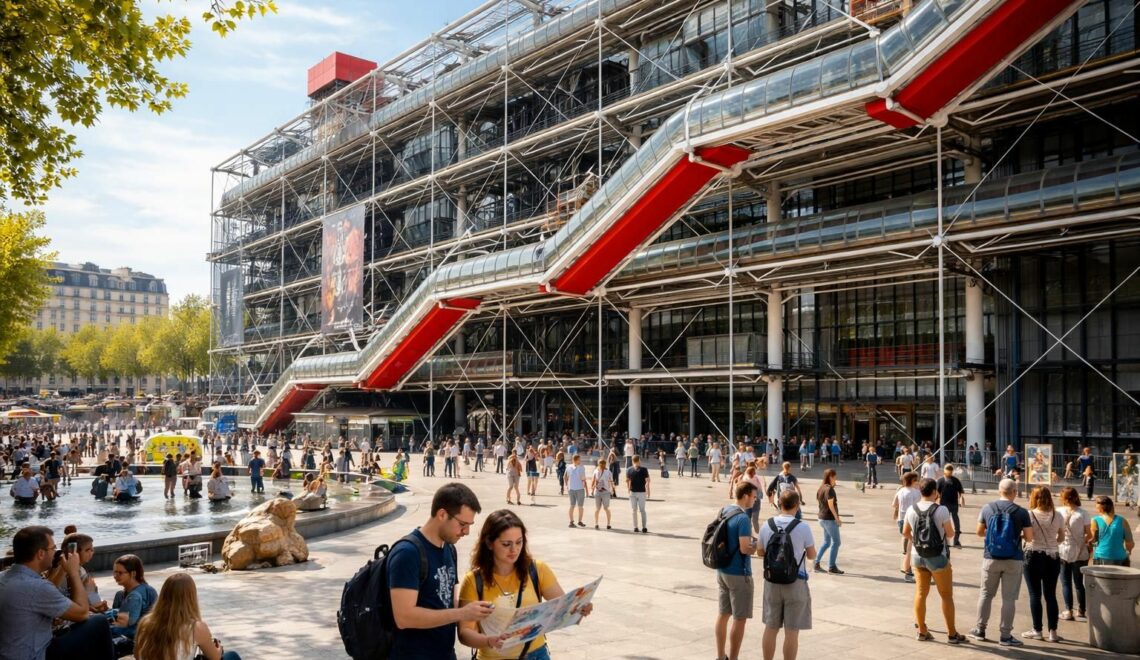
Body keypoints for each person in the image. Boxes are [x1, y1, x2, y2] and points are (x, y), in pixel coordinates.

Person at [458, 509, 592, 659]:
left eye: (519, 542)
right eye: (506, 544)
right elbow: (465, 633)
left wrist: (580, 607)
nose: (514, 549)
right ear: (489, 543)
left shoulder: (537, 570)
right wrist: (489, 641)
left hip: (536, 654)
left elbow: (564, 606)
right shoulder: (473, 580)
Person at [389, 482, 491, 659]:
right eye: (463, 524)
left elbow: (446, 600)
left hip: (445, 653)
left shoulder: (449, 548)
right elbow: (404, 617)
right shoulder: (407, 553)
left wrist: (478, 608)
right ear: (442, 514)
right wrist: (462, 613)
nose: (466, 532)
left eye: (470, 525)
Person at [0, 525, 115, 660]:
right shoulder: (36, 586)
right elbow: (82, 614)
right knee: (99, 622)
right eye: (53, 548)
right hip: (34, 655)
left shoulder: (3, 577)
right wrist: (73, 573)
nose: (55, 552)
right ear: (41, 554)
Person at [968, 478, 1034, 647]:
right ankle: (1005, 635)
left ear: (999, 491)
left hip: (991, 557)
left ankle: (980, 630)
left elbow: (979, 532)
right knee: (1009, 598)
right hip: (1014, 558)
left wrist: (994, 536)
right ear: (1015, 492)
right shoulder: (1021, 512)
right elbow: (1029, 537)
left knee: (985, 594)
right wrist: (1014, 536)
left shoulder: (987, 508)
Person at [902, 478, 963, 644]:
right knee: (946, 596)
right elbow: (950, 534)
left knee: (921, 593)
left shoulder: (911, 509)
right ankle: (952, 634)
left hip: (917, 556)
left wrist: (917, 540)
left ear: (920, 491)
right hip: (937, 556)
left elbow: (905, 532)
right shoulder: (941, 509)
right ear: (935, 492)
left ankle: (922, 631)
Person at [757, 491, 816, 660]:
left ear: (779, 504)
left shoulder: (767, 525)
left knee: (771, 627)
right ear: (796, 506)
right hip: (795, 581)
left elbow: (760, 552)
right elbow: (811, 555)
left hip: (772, 581)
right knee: (792, 631)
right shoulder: (802, 527)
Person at [133, 572, 240, 660]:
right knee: (231, 656)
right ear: (191, 598)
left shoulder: (145, 622)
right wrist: (219, 650)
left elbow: (137, 655)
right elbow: (215, 657)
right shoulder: (195, 627)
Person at [715, 481, 759, 660]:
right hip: (739, 573)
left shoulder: (724, 510)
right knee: (739, 619)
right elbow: (744, 548)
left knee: (723, 615)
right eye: (754, 497)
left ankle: (720, 656)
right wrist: (756, 546)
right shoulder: (743, 518)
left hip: (722, 570)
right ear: (745, 496)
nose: (755, 500)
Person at [1020, 486, 1066, 642]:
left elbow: (1027, 536)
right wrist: (1052, 544)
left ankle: (1037, 630)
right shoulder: (1057, 515)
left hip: (1033, 554)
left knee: (1035, 594)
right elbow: (1061, 537)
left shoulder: (1029, 514)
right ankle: (1053, 632)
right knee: (1051, 595)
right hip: (1053, 556)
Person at [106, 554, 159, 657]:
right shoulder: (147, 589)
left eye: (120, 573)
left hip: (137, 637)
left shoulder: (135, 595)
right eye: (115, 572)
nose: (115, 576)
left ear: (133, 573)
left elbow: (123, 624)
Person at [1057, 487, 1092, 621]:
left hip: (1063, 550)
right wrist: (1082, 541)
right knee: (1079, 583)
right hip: (1080, 551)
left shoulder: (1058, 511)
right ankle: (1081, 610)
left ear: (1063, 498)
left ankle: (1068, 611)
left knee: (1066, 582)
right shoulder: (1083, 513)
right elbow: (1089, 535)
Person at [891, 472, 921, 583]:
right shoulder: (916, 492)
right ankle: (908, 570)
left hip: (901, 519)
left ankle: (905, 566)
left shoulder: (900, 491)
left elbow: (894, 504)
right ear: (913, 481)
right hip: (913, 520)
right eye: (916, 480)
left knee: (907, 543)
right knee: (911, 548)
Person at [1091, 495, 1134, 566]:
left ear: (1100, 507)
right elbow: (1130, 542)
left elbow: (1093, 541)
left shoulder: (1095, 520)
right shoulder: (1123, 521)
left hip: (1100, 556)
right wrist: (1128, 552)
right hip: (1120, 557)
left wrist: (1093, 555)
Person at [814, 469, 843, 575]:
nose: (836, 478)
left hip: (822, 518)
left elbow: (820, 502)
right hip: (829, 519)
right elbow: (831, 505)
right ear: (830, 476)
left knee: (826, 542)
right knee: (836, 542)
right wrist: (837, 518)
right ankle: (832, 566)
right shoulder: (829, 489)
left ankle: (816, 562)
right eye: (835, 476)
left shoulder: (821, 487)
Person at [936, 464, 966, 548]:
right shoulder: (940, 481)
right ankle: (945, 541)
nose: (949, 473)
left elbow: (960, 491)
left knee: (956, 521)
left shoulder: (956, 480)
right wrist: (936, 500)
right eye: (948, 471)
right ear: (944, 471)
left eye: (950, 471)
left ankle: (956, 541)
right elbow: (936, 492)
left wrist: (961, 498)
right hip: (943, 504)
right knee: (944, 522)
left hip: (954, 504)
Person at [626, 455, 651, 533]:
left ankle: (636, 527)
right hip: (641, 492)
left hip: (634, 492)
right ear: (639, 460)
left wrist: (628, 490)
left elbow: (627, 481)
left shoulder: (629, 470)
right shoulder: (644, 469)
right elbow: (647, 481)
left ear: (632, 461)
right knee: (642, 510)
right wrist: (648, 490)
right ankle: (643, 527)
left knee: (634, 510)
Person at [564, 454, 587, 528]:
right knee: (580, 506)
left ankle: (571, 522)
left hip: (571, 489)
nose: (580, 461)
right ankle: (579, 521)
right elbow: (583, 478)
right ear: (576, 460)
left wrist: (567, 486)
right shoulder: (581, 467)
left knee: (572, 505)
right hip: (580, 488)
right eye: (579, 459)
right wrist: (585, 487)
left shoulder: (568, 467)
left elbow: (565, 477)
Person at [591, 458, 614, 529]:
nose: (601, 465)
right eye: (600, 463)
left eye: (602, 464)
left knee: (606, 508)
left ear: (605, 464)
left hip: (606, 492)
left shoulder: (608, 472)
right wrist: (592, 489)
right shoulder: (595, 471)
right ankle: (596, 523)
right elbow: (593, 481)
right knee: (597, 508)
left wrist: (612, 490)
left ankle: (608, 523)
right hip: (597, 491)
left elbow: (611, 481)